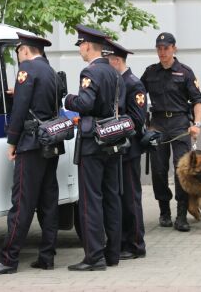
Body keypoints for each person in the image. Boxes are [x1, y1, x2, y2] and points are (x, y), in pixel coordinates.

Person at [0, 33, 63, 275]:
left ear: (25, 50)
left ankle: (8, 259)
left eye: (18, 53)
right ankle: (47, 256)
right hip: (51, 142)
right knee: (49, 202)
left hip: (31, 144)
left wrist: (12, 141)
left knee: (22, 204)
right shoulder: (51, 72)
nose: (18, 58)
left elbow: (20, 109)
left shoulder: (27, 70)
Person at [65, 25, 125, 271]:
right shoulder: (114, 73)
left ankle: (94, 257)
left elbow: (85, 103)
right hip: (112, 138)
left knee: (91, 199)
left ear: (88, 46)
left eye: (80, 45)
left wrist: (67, 99)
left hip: (93, 141)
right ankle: (113, 254)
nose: (80, 49)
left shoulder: (90, 72)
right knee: (111, 197)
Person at [140, 32, 201, 232]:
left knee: (181, 171)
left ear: (174, 49)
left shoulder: (185, 72)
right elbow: (138, 96)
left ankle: (181, 215)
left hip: (179, 125)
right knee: (159, 171)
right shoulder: (150, 72)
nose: (162, 52)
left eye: (166, 48)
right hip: (158, 124)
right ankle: (164, 212)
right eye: (159, 48)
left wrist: (197, 124)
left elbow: (198, 101)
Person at [103, 39, 147, 260]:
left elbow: (137, 120)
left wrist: (115, 126)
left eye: (107, 61)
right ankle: (120, 242)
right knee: (118, 198)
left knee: (131, 198)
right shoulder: (118, 82)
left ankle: (136, 244)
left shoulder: (133, 84)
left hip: (129, 150)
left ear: (116, 60)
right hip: (116, 150)